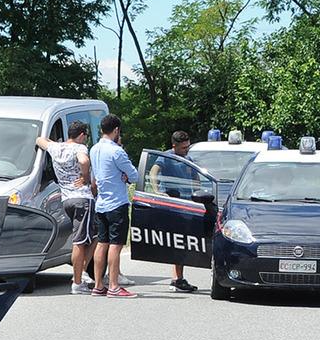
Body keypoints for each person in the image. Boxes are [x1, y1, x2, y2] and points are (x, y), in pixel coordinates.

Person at [36, 120, 94, 293]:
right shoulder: (80, 148)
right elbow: (83, 161)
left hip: (66, 198)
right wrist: (85, 177)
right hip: (82, 197)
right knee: (80, 241)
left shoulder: (57, 148)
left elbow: (39, 139)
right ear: (82, 135)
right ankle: (78, 281)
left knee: (86, 236)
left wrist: (54, 143)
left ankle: (79, 275)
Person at [89, 114, 139, 298]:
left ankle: (98, 285)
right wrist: (125, 176)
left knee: (101, 243)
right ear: (116, 130)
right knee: (116, 245)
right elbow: (134, 176)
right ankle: (114, 286)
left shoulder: (94, 149)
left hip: (101, 203)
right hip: (117, 203)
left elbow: (95, 177)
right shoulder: (117, 151)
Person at [146, 130, 200, 293]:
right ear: (174, 146)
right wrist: (156, 190)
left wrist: (197, 195)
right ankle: (177, 279)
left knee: (182, 242)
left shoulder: (188, 158)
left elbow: (195, 178)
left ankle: (178, 277)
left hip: (187, 204)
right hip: (174, 205)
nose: (186, 150)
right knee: (180, 241)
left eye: (188, 147)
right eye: (183, 148)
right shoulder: (167, 157)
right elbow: (154, 171)